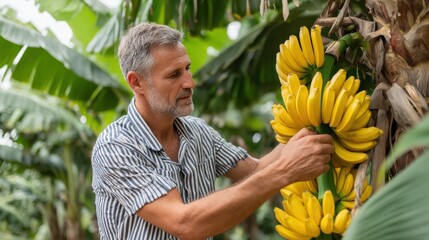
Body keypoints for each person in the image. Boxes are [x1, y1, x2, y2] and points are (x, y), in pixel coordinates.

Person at [91, 22, 334, 240]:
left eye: (187, 68)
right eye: (174, 74)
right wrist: (286, 170)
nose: (189, 82)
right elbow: (183, 223)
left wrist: (311, 124)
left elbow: (257, 170)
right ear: (136, 82)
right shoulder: (116, 146)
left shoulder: (198, 132)